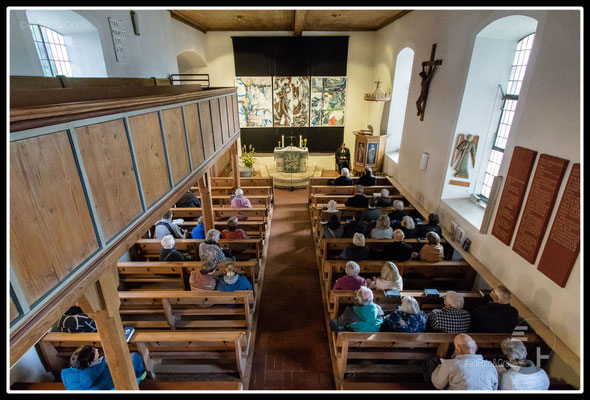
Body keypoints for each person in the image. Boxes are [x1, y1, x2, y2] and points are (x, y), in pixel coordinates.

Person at [428, 334, 498, 390]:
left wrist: (440, 367)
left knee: (429, 363)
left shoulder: (449, 364)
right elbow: (495, 387)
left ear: (458, 349)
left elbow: (438, 385)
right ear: (475, 348)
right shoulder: (490, 366)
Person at [61, 345, 146, 390]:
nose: (97, 350)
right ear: (90, 363)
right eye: (95, 353)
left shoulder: (71, 376)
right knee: (134, 357)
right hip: (113, 383)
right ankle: (140, 376)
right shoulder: (93, 374)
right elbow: (108, 379)